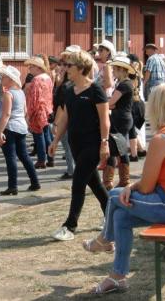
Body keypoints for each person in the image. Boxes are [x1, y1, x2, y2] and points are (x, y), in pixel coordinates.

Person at [82, 83, 165, 295]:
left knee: (115, 196)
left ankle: (104, 241)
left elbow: (146, 187)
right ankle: (118, 277)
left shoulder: (163, 138)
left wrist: (130, 187)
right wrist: (132, 186)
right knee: (120, 217)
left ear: (153, 107)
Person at [48, 50, 110, 241]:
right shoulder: (68, 90)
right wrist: (56, 140)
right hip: (76, 144)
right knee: (96, 184)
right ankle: (113, 215)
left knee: (78, 182)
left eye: (69, 66)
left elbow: (104, 120)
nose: (65, 69)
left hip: (92, 144)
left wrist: (104, 144)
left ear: (81, 69)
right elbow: (65, 117)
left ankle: (70, 226)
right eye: (65, 65)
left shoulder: (95, 90)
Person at [0, 65, 40, 195]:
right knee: (24, 156)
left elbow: (6, 114)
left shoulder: (8, 94)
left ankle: (12, 186)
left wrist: (0, 132)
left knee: (11, 158)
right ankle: (35, 181)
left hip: (10, 127)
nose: (1, 79)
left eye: (3, 77)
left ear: (10, 79)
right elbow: (25, 111)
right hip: (21, 127)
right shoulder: (20, 92)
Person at [103, 56, 135, 190]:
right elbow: (112, 104)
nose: (113, 72)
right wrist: (112, 105)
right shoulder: (124, 83)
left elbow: (110, 102)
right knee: (118, 149)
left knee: (115, 149)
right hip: (121, 117)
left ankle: (112, 181)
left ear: (122, 70)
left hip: (121, 119)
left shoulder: (124, 84)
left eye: (115, 69)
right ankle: (121, 180)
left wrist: (111, 105)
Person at [52, 47, 78, 180]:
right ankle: (73, 169)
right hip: (70, 118)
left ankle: (71, 171)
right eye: (60, 64)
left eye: (63, 64)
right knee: (70, 146)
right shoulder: (68, 83)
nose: (60, 66)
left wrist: (56, 124)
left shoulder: (67, 86)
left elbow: (62, 107)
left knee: (68, 146)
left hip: (65, 120)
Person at [25, 56, 54, 169]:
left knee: (39, 136)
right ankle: (50, 158)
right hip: (47, 109)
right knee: (46, 135)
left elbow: (34, 99)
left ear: (37, 67)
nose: (29, 69)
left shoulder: (36, 80)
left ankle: (41, 160)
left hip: (38, 110)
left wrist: (29, 113)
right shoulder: (48, 77)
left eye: (31, 67)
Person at [127, 54, 146, 162]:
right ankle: (140, 150)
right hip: (138, 104)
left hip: (134, 104)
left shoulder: (132, 74)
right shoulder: (138, 74)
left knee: (132, 129)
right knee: (133, 129)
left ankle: (135, 154)